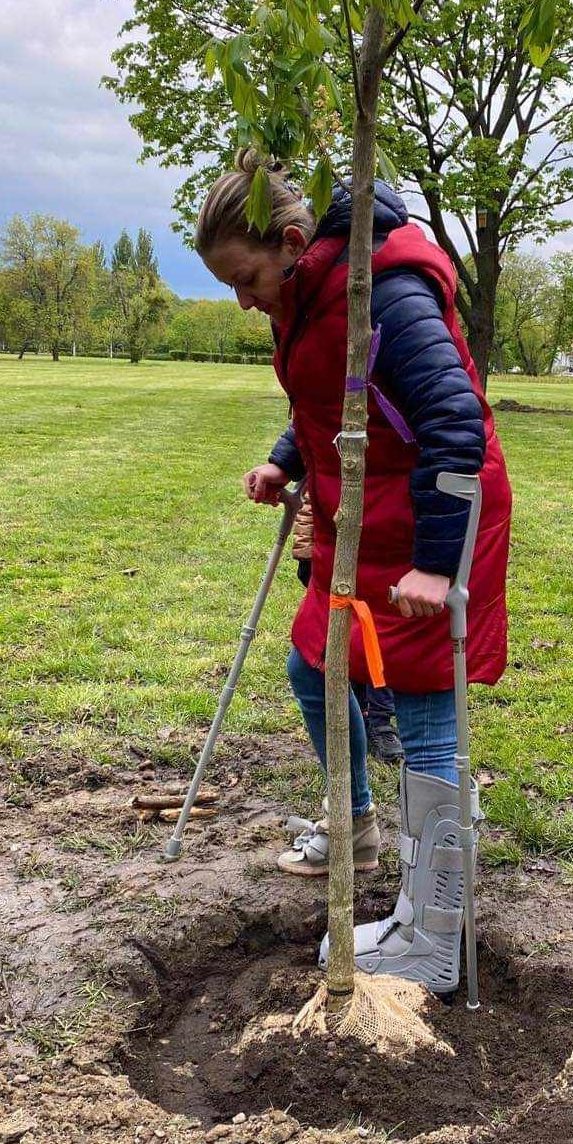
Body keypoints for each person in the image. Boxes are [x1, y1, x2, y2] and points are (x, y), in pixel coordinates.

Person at [194, 148, 511, 994]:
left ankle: (434, 939)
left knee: (425, 712)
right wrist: (282, 456)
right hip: (358, 516)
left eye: (247, 276)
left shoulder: (390, 291)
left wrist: (437, 569)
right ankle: (359, 825)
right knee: (313, 662)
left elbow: (452, 421)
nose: (243, 298)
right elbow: (341, 397)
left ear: (296, 241)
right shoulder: (310, 292)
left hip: (424, 525)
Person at [293, 490, 404, 764]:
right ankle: (359, 714)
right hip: (333, 549)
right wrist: (307, 551)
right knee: (342, 639)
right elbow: (312, 488)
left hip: (383, 549)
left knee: (377, 639)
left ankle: (380, 722)